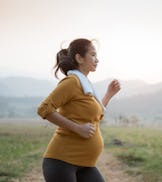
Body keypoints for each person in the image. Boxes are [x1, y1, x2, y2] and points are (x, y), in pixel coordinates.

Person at [37, 38, 121, 182]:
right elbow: (44, 109)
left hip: (85, 164)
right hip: (61, 162)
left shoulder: (86, 85)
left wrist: (109, 94)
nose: (97, 60)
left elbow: (95, 117)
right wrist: (77, 128)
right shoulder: (72, 82)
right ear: (79, 58)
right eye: (93, 55)